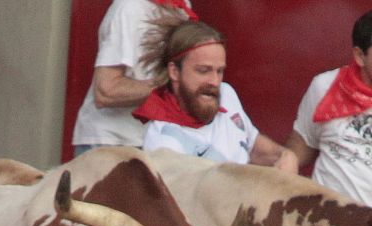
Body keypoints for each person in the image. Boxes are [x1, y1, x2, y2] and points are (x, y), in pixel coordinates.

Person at [134, 18, 298, 172]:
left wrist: (285, 156)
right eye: (203, 71)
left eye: (219, 71)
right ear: (174, 72)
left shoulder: (226, 93)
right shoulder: (163, 141)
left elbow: (251, 145)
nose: (214, 81)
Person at [72, 0, 196, 156]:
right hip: (112, 143)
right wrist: (175, 86)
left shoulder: (182, 7)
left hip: (154, 141)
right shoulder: (129, 8)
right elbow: (106, 90)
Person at [285, 11, 372, 204]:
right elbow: (302, 145)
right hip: (328, 220)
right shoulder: (325, 86)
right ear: (359, 56)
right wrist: (286, 161)